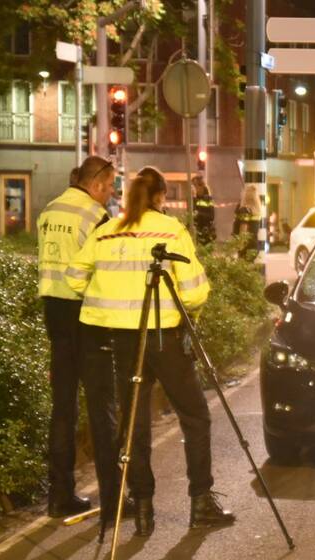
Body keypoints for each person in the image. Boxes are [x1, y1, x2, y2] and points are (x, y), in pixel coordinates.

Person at [65, 166, 235, 536]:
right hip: (165, 337)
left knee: (134, 425)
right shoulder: (170, 231)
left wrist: (108, 298)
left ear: (127, 196)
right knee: (195, 416)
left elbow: (74, 277)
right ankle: (201, 501)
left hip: (126, 342)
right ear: (160, 197)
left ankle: (142, 507)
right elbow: (193, 291)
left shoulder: (106, 232)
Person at [36, 156, 114, 517]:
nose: (111, 193)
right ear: (96, 183)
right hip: (87, 316)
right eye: (110, 186)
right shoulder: (96, 217)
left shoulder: (49, 211)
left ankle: (59, 495)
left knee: (63, 408)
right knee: (101, 406)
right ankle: (113, 495)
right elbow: (106, 269)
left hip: (55, 314)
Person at [233, 184, 262, 258]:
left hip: (245, 247)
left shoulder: (245, 210)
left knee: (243, 268)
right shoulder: (257, 211)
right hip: (254, 246)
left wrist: (240, 246)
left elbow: (243, 229)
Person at [192, 175, 216, 246]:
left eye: (194, 186)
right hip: (194, 233)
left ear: (201, 186)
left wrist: (198, 214)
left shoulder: (208, 199)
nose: (192, 188)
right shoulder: (193, 198)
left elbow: (211, 216)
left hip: (205, 233)